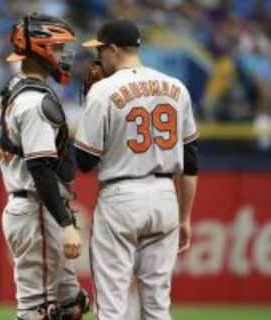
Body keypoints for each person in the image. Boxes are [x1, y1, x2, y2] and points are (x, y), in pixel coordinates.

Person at [75, 19, 199, 320]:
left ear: (115, 49)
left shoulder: (103, 90)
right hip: (165, 197)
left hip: (121, 196)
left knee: (112, 305)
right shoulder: (176, 87)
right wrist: (184, 217)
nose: (98, 58)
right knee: (157, 305)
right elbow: (191, 161)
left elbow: (85, 162)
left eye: (101, 50)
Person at [0, 13, 89, 320]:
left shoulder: (14, 89)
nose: (64, 55)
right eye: (58, 48)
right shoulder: (34, 102)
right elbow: (41, 169)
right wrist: (65, 223)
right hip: (36, 209)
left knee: (70, 305)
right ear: (42, 49)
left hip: (31, 206)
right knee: (38, 311)